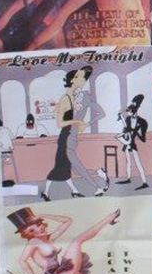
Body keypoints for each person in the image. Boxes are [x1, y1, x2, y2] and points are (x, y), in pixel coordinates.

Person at [41, 65, 108, 200]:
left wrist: (84, 123)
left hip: (71, 136)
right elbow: (60, 123)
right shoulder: (67, 98)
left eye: (83, 77)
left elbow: (101, 113)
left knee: (66, 168)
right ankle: (97, 186)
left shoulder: (77, 97)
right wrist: (78, 122)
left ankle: (59, 191)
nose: (83, 79)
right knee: (72, 167)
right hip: (66, 137)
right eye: (79, 77)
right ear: (72, 81)